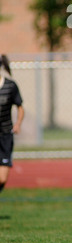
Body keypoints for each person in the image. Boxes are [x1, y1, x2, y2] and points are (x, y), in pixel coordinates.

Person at [0, 54, 24, 193]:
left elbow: (20, 107)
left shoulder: (10, 85)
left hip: (5, 135)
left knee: (2, 179)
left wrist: (18, 123)